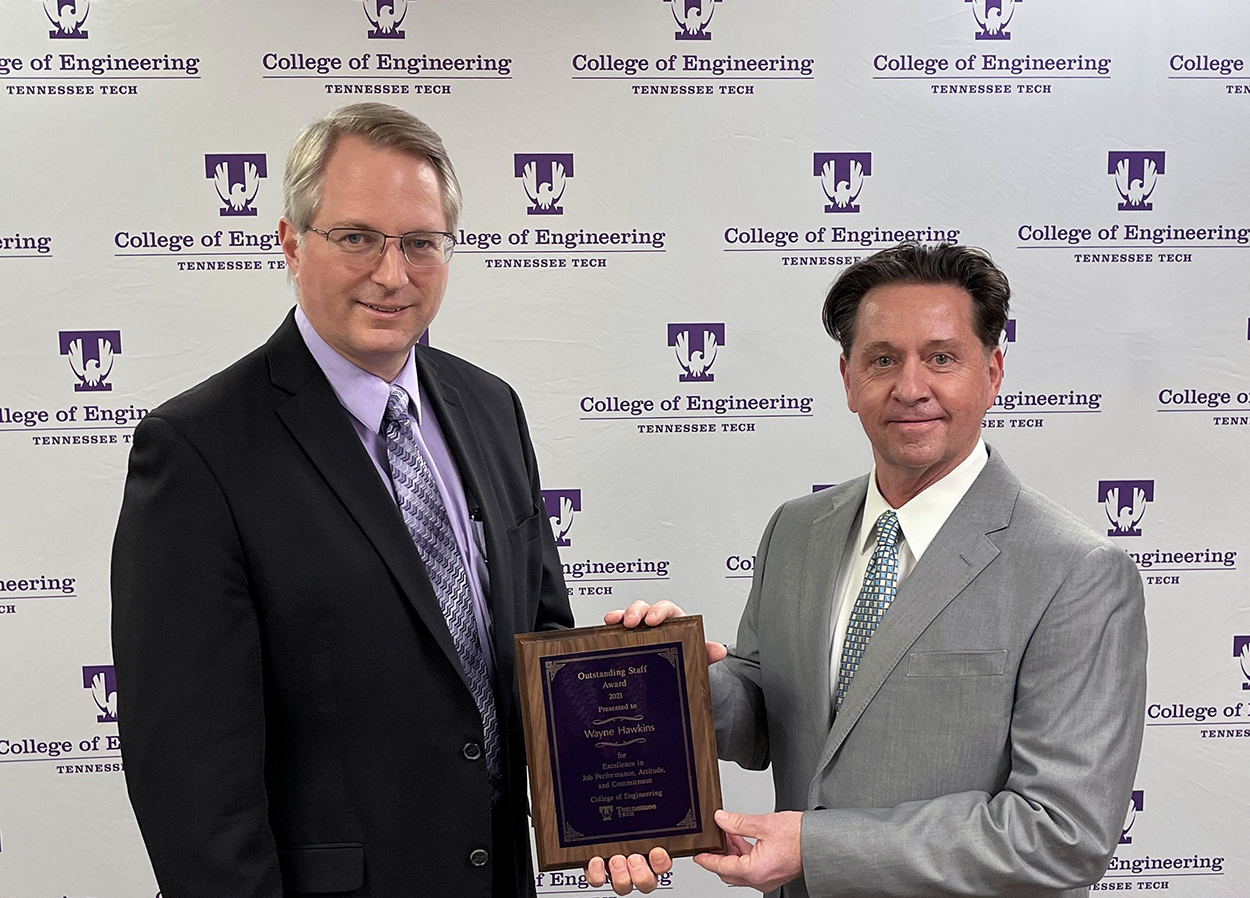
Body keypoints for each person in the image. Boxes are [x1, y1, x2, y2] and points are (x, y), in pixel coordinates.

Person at [111, 103, 572, 898]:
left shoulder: (492, 407)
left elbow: (540, 642)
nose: (392, 274)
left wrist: (630, 693)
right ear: (291, 243)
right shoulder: (196, 452)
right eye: (357, 237)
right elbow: (192, 789)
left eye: (422, 243)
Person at [591, 242, 1147, 897]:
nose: (911, 388)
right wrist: (674, 677)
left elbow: (1061, 833)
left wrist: (815, 848)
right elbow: (772, 714)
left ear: (992, 372)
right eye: (883, 360)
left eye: (941, 358)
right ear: (848, 378)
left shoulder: (1077, 573)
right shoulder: (795, 531)